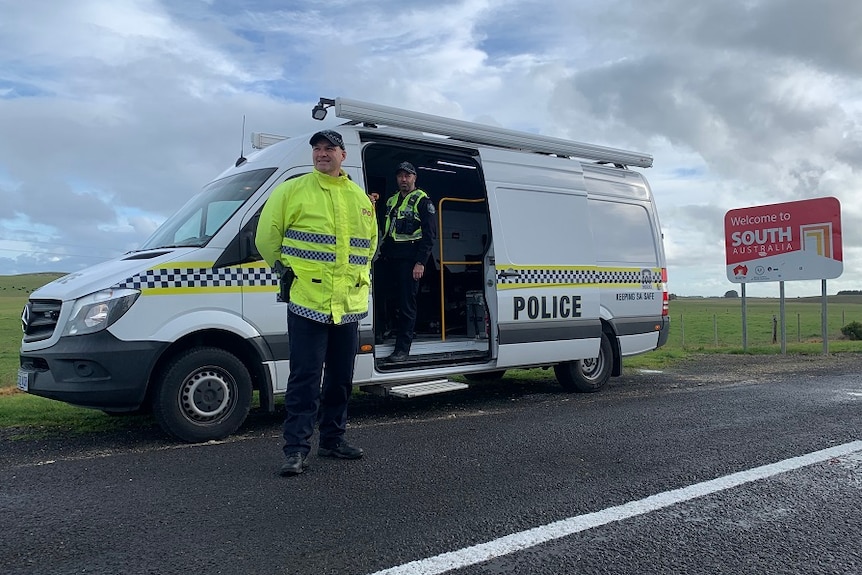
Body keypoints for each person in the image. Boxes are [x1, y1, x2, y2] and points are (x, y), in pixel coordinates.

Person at [255, 129, 377, 477]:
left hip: (348, 305)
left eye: (329, 148)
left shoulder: (360, 199)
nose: (322, 153)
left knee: (340, 378)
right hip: (308, 301)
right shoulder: (292, 190)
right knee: (305, 378)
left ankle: (333, 440)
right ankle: (295, 449)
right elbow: (267, 237)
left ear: (343, 155)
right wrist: (286, 268)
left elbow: (370, 245)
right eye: (317, 149)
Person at [378, 161, 438, 363]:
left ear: (414, 178)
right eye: (400, 176)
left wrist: (420, 262)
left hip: (410, 261)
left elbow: (430, 236)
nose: (404, 179)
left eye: (408, 176)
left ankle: (402, 349)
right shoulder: (392, 200)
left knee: (406, 303)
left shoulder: (423, 201)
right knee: (380, 294)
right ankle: (382, 332)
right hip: (389, 258)